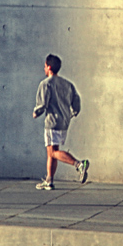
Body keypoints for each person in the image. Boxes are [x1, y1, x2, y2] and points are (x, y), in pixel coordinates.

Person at [32, 54, 89, 190]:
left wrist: (36, 112)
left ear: (49, 67)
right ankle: (49, 180)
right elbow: (76, 100)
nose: (44, 68)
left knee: (52, 152)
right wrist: (73, 112)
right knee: (53, 150)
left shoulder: (46, 84)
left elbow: (43, 103)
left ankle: (79, 164)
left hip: (52, 122)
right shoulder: (67, 84)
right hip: (64, 122)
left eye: (45, 66)